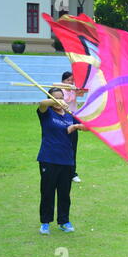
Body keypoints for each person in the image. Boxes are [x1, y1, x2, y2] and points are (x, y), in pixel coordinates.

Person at [37, 88, 87, 235]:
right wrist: (57, 101)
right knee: (47, 191)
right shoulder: (46, 113)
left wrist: (76, 126)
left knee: (65, 193)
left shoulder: (69, 114)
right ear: (51, 99)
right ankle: (45, 222)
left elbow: (87, 126)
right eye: (55, 98)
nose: (59, 101)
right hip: (49, 158)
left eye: (61, 97)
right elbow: (42, 103)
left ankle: (64, 221)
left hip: (67, 160)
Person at [57, 71, 86, 182]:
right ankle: (60, 172)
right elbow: (56, 86)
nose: (70, 82)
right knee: (61, 145)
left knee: (72, 146)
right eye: (67, 80)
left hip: (73, 118)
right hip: (62, 118)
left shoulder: (73, 90)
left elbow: (83, 92)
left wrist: (79, 87)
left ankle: (72, 173)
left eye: (71, 80)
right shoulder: (60, 91)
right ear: (63, 81)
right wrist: (69, 87)